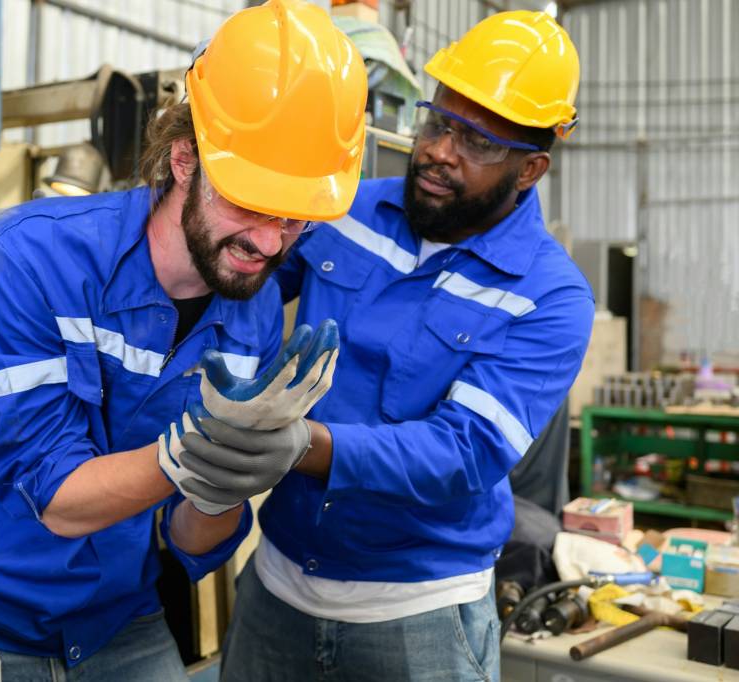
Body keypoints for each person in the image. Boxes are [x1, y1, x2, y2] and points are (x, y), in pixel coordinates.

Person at [0, 1, 366, 680]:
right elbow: (61, 498)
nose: (270, 242)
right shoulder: (22, 261)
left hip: (112, 618)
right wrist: (198, 453)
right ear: (185, 160)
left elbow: (190, 540)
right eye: (249, 202)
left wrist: (233, 481)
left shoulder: (248, 313)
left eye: (296, 219)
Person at [214, 11, 595, 681]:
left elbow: (461, 453)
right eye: (439, 122)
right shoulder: (344, 211)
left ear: (531, 168)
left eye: (476, 143)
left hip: (419, 624)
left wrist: (300, 444)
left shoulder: (549, 297)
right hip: (273, 594)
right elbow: (241, 285)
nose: (441, 152)